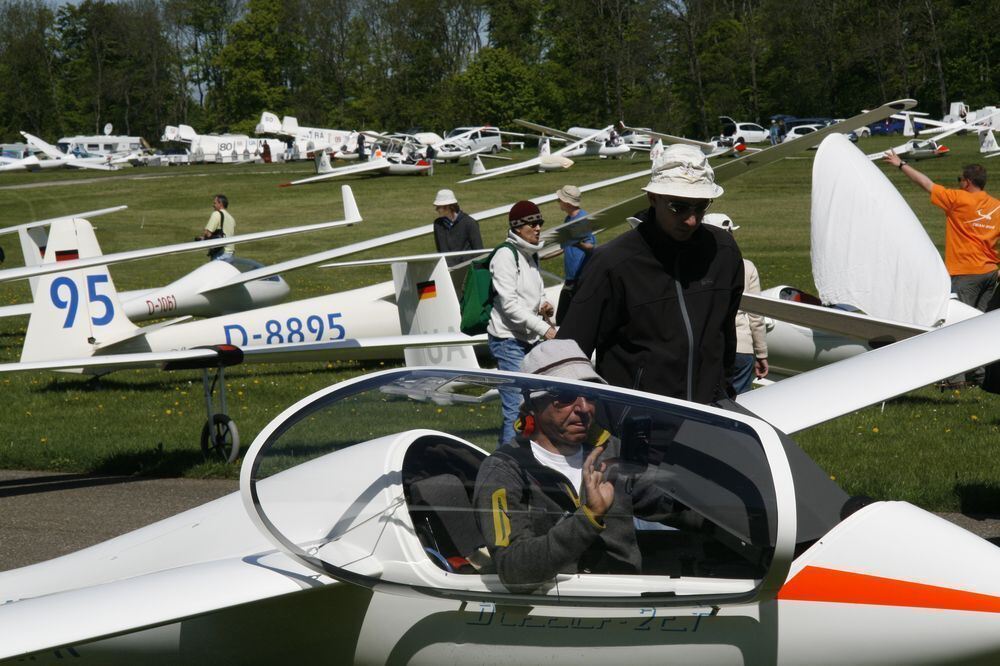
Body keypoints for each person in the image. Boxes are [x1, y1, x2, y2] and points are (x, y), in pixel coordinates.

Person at [473, 339, 689, 592]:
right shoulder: (504, 471)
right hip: (560, 611)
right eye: (565, 396)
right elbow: (513, 569)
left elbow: (672, 504)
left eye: (591, 395)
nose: (584, 408)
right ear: (532, 403)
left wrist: (728, 512)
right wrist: (589, 517)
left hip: (627, 598)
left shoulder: (609, 452)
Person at [558, 144, 744, 403]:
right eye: (678, 207)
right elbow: (567, 354)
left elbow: (725, 337)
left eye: (700, 207)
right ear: (653, 198)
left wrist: (723, 396)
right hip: (636, 427)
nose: (691, 219)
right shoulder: (613, 263)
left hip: (709, 420)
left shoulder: (722, 251)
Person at [883, 152, 1000, 311]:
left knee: (960, 322)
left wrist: (901, 164)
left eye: (960, 180)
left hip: (966, 272)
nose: (959, 183)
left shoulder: (958, 199)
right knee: (981, 321)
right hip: (990, 273)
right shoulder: (996, 206)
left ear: (967, 182)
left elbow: (926, 184)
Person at [488, 200, 557, 445]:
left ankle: (526, 462)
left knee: (534, 408)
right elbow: (509, 306)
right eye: (532, 223)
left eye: (540, 223)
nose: (538, 228)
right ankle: (504, 472)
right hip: (508, 341)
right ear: (518, 227)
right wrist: (545, 329)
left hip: (529, 338)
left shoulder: (530, 253)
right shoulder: (505, 255)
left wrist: (544, 304)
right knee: (516, 410)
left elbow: (536, 293)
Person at [703, 213, 768, 393]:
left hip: (709, 347)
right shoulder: (747, 266)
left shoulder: (698, 267)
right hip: (742, 347)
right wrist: (761, 353)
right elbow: (756, 315)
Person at [553, 184, 595, 323]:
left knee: (570, 320)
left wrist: (577, 242)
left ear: (566, 202)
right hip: (570, 278)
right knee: (562, 319)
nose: (558, 202)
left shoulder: (582, 219)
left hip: (581, 279)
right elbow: (564, 246)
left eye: (559, 199)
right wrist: (541, 255)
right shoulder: (568, 219)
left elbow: (591, 247)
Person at [432, 189, 483, 266]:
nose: (436, 209)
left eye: (439, 207)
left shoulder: (470, 223)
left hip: (467, 269)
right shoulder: (437, 224)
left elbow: (479, 252)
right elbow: (440, 251)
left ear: (449, 207)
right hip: (447, 270)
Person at [199, 194, 236, 262]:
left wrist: (203, 238)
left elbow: (208, 233)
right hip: (231, 254)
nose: (213, 205)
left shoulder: (216, 214)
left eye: (215, 203)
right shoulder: (231, 218)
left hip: (220, 254)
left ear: (220, 204)